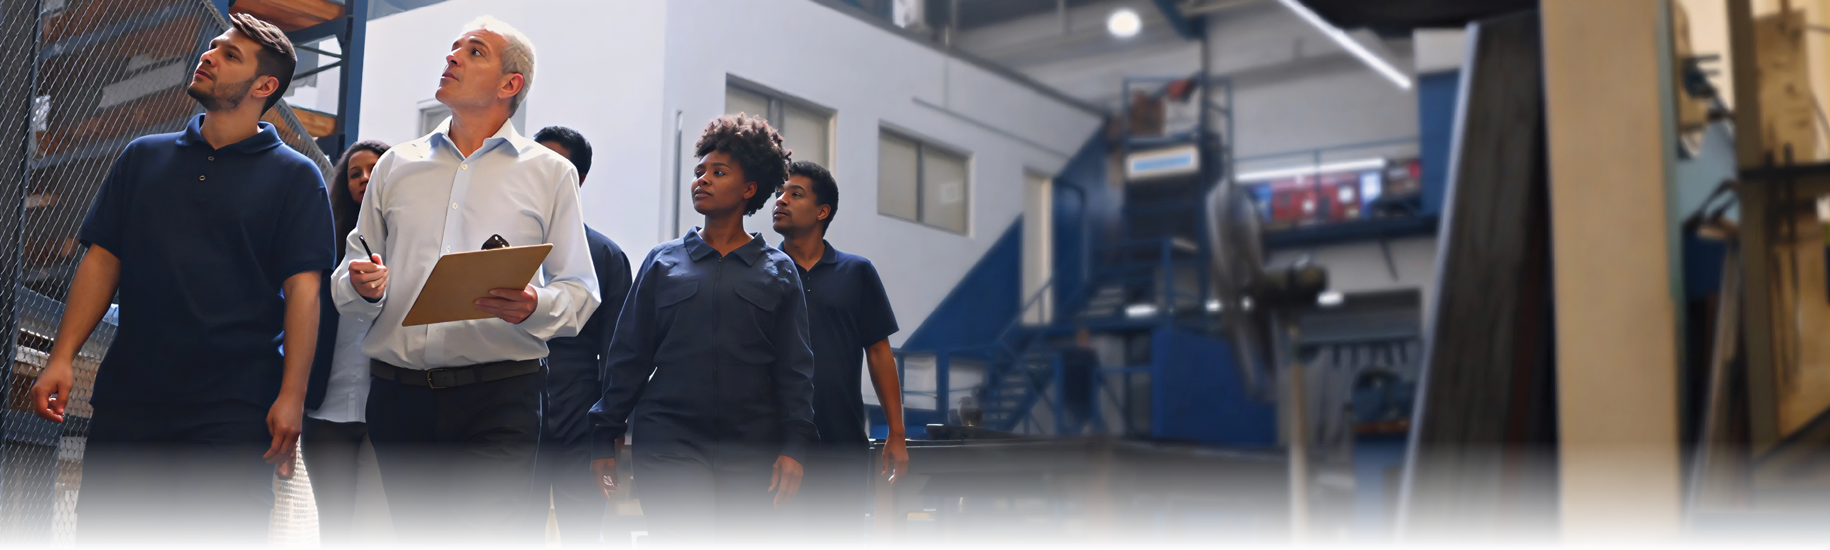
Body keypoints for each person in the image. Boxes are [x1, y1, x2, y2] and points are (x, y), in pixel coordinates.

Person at [27, 14, 334, 548]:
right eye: (214, 45)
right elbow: (102, 261)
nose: (209, 55)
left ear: (265, 87)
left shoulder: (296, 177)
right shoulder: (141, 157)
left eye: (230, 55)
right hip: (130, 399)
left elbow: (305, 293)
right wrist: (61, 356)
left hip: (235, 407)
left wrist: (292, 396)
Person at [330, 16, 600, 549]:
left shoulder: (551, 173)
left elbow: (580, 291)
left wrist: (533, 305)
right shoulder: (393, 167)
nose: (451, 57)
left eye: (473, 51)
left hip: (501, 398)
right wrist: (362, 287)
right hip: (398, 396)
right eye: (453, 48)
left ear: (509, 85)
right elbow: (350, 275)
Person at [588, 114, 816, 550]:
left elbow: (795, 369)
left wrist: (794, 446)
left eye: (718, 172)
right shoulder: (663, 262)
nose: (702, 180)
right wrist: (605, 430)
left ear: (750, 189)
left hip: (754, 445)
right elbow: (628, 355)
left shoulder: (779, 271)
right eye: (699, 172)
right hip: (670, 436)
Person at [769, 161, 909, 550]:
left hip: (841, 444)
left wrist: (896, 434)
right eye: (780, 193)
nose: (780, 200)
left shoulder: (857, 272)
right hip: (773, 445)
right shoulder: (763, 271)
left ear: (822, 211)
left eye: (795, 194)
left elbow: (880, 353)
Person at [515, 126, 633, 550]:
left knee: (583, 535)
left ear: (576, 179)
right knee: (515, 536)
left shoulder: (605, 255)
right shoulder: (502, 247)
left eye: (554, 163)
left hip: (582, 415)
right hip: (510, 409)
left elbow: (619, 352)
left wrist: (610, 424)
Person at [303, 139, 399, 550]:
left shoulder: (411, 240)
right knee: (335, 538)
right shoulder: (321, 240)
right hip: (326, 409)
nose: (363, 178)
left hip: (391, 408)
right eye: (354, 173)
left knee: (374, 539)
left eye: (373, 169)